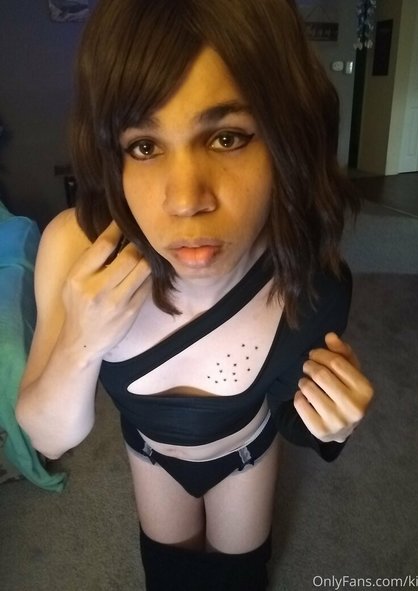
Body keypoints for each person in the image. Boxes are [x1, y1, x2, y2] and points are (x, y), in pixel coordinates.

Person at [16, 0, 374, 589]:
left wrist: (332, 429)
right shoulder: (74, 248)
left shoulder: (309, 276)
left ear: (284, 138)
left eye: (227, 137)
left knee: (241, 577)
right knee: (168, 575)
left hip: (246, 455)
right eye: (144, 146)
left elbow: (292, 412)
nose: (186, 201)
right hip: (151, 457)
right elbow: (49, 437)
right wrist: (81, 339)